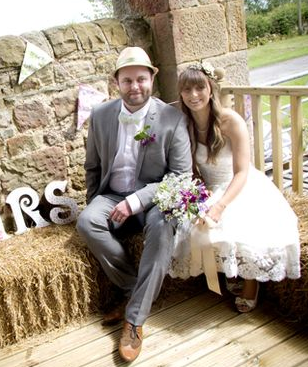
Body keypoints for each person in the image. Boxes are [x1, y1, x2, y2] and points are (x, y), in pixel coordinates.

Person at [76, 47, 192, 362]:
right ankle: (132, 290)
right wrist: (94, 203)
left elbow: (181, 177)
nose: (135, 86)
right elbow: (92, 166)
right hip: (112, 195)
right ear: (116, 82)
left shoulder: (172, 118)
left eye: (141, 78)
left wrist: (137, 200)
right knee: (87, 221)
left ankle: (135, 319)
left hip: (154, 199)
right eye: (127, 80)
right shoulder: (100, 115)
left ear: (152, 78)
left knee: (164, 223)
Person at [169, 62, 301, 313]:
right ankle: (230, 271)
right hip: (209, 187)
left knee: (241, 227)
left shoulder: (231, 121)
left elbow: (242, 171)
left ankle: (251, 284)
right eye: (187, 90)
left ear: (211, 89)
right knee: (191, 225)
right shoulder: (184, 123)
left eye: (200, 87)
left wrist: (219, 206)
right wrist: (195, 197)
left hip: (239, 185)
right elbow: (192, 169)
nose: (193, 95)